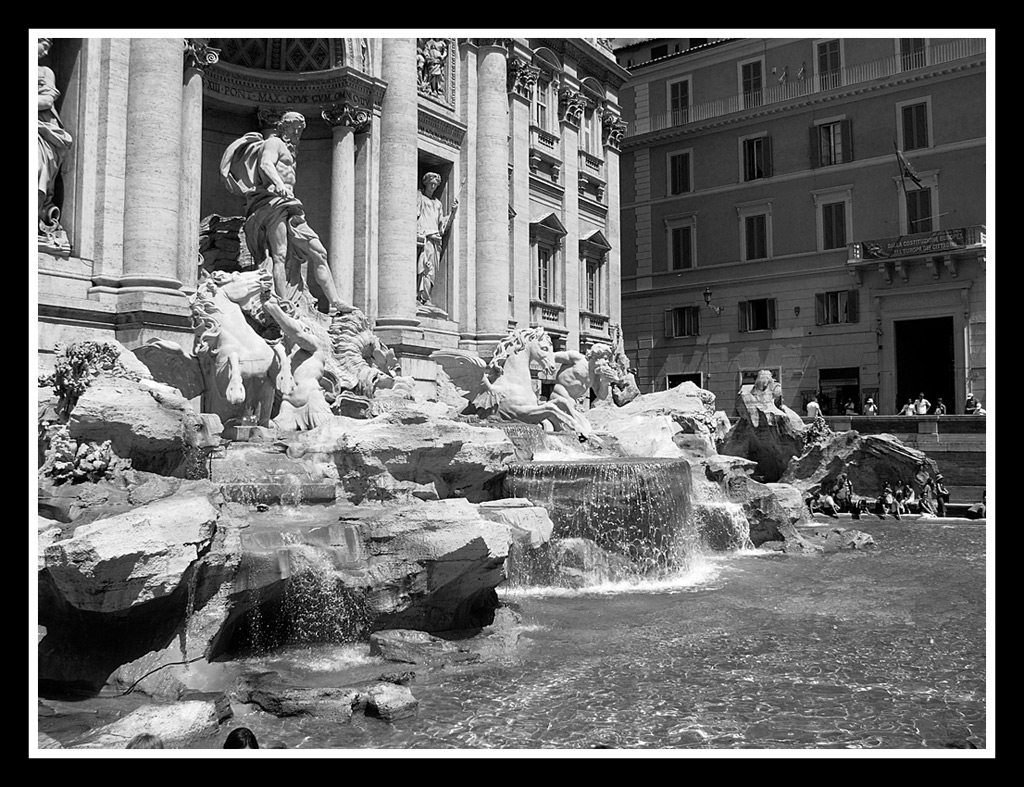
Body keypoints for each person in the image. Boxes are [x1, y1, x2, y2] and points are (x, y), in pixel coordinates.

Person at [220, 111, 355, 315]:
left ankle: (335, 300)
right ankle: (283, 303)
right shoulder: (273, 143)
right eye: (293, 129)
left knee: (319, 251)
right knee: (280, 254)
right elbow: (266, 164)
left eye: (300, 130)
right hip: (273, 202)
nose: (297, 133)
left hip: (289, 204)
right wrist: (279, 184)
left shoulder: (291, 151)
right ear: (283, 128)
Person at [38, 38, 73, 237]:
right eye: (44, 46)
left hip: (41, 129)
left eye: (49, 48)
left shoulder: (45, 72)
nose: (45, 53)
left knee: (37, 167)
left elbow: (47, 100)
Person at [416, 172, 458, 306]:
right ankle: (421, 298)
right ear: (426, 183)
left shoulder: (438, 203)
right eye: (431, 184)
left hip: (436, 240)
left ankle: (426, 297)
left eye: (435, 185)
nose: (433, 187)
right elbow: (415, 215)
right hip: (426, 238)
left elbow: (442, 226)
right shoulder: (419, 197)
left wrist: (453, 213)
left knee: (432, 271)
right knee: (425, 268)